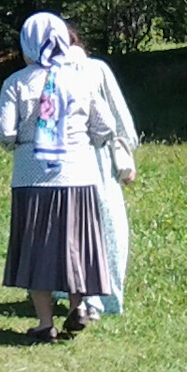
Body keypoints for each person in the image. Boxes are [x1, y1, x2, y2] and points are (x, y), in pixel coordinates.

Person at [0, 12, 118, 341]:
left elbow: (4, 131)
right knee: (75, 246)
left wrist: (21, 142)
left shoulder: (17, 83)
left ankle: (45, 323)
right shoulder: (81, 78)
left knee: (38, 250)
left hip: (32, 180)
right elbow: (106, 127)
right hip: (78, 176)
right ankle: (78, 306)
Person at [61, 27, 138, 321]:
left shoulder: (48, 72)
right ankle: (100, 298)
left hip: (65, 163)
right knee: (106, 228)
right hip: (98, 162)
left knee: (73, 230)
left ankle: (78, 296)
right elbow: (118, 118)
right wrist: (126, 150)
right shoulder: (96, 69)